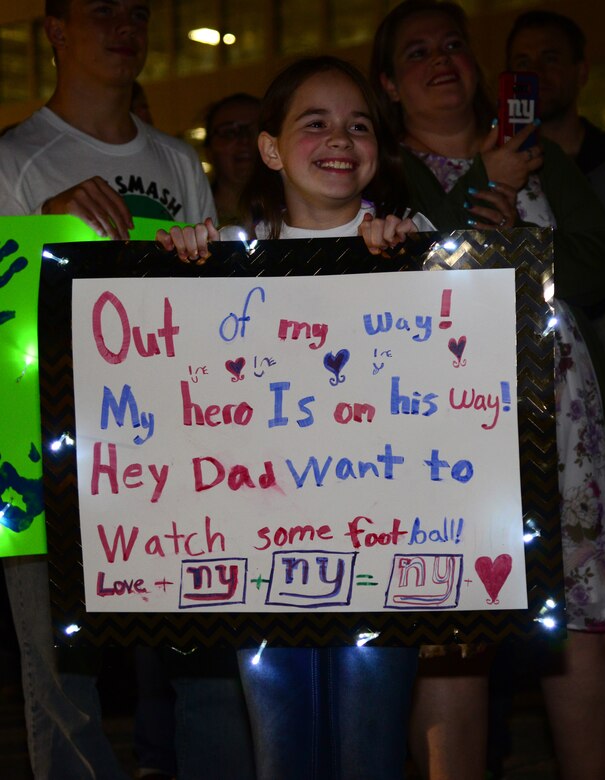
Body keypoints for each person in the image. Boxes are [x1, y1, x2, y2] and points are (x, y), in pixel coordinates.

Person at [157, 55, 434, 780]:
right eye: (316, 123)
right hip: (261, 558)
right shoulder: (225, 258)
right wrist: (178, 269)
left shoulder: (418, 247)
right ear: (272, 148)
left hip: (382, 555)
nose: (340, 138)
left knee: (371, 746)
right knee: (281, 752)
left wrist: (411, 263)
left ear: (379, 150)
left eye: (359, 125)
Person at [370, 3, 605, 780]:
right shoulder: (382, 170)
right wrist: (490, 187)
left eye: (453, 44)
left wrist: (514, 217)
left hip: (565, 410)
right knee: (455, 630)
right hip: (449, 424)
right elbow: (419, 279)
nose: (441, 59)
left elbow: (601, 266)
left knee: (587, 619)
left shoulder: (530, 145)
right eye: (417, 52)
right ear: (389, 83)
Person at [0, 1, 215, 777]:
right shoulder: (15, 159)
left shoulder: (179, 163)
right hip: (45, 452)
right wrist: (41, 230)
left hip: (168, 449)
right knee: (62, 672)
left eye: (138, 9)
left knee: (199, 647)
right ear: (55, 29)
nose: (125, 24)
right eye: (101, 9)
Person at [506, 9, 605, 382]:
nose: (535, 72)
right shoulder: (501, 169)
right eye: (523, 62)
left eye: (550, 58)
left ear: (582, 71)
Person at [204, 92, 260, 232]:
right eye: (229, 132)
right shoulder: (191, 211)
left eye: (256, 130)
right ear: (209, 151)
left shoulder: (296, 212)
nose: (244, 140)